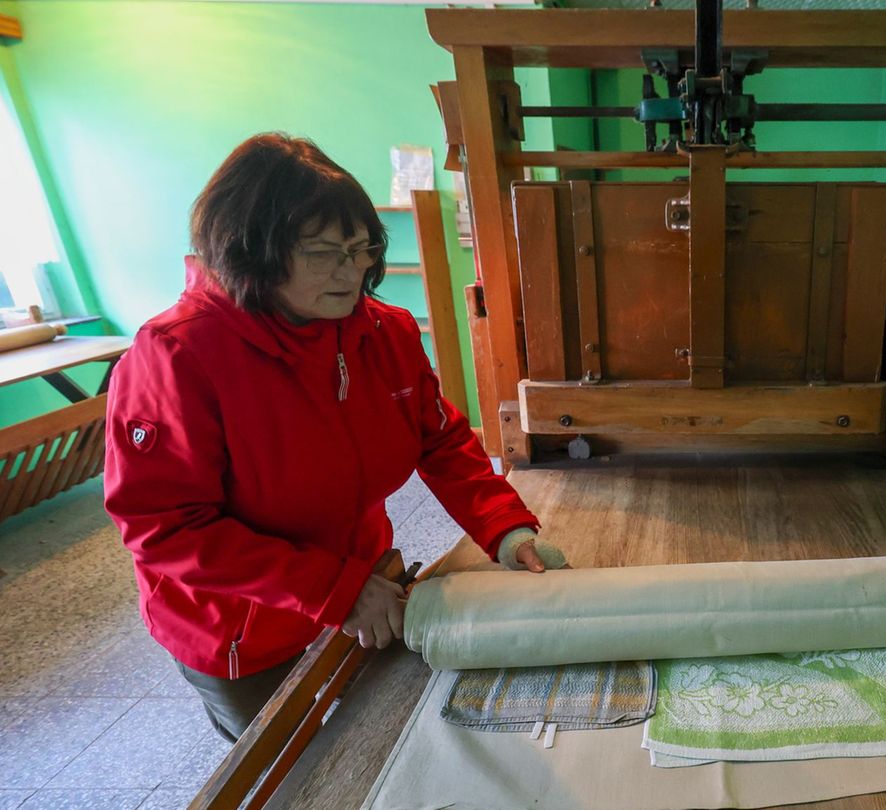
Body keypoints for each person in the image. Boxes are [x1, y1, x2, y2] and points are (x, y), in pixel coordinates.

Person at [103, 133, 567, 743]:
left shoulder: (382, 332)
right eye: (324, 253)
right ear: (253, 252)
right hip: (246, 624)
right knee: (294, 768)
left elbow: (440, 440)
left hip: (365, 583)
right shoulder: (178, 356)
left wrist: (504, 527)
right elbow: (166, 528)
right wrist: (333, 590)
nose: (353, 273)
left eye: (362, 249)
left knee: (381, 739)